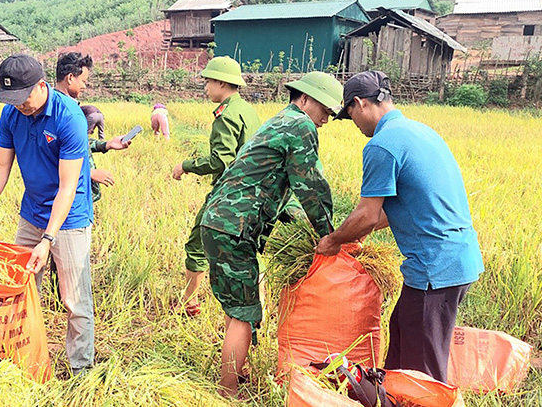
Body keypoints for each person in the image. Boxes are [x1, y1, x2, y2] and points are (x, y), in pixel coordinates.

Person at [316, 70, 484, 383]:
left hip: (435, 267)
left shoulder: (382, 145)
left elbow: (367, 214)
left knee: (423, 371)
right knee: (403, 339)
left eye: (350, 115)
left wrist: (334, 241)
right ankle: (391, 397)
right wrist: (356, 237)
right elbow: (396, 210)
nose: (354, 124)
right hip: (459, 260)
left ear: (360, 103)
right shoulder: (421, 131)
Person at [200, 71, 343, 398]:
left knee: (237, 306)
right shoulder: (301, 125)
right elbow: (310, 186)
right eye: (325, 109)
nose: (326, 118)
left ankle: (237, 370)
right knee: (245, 314)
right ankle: (228, 392)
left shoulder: (281, 121)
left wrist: (297, 218)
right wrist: (330, 236)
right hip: (233, 228)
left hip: (220, 223)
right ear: (305, 99)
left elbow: (279, 183)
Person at [0, 53, 95, 376]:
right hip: (31, 214)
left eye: (23, 97)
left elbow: (68, 188)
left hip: (68, 221)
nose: (19, 104)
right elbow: (0, 167)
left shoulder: (69, 118)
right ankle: (22, 358)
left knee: (74, 300)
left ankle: (82, 369)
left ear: (41, 86)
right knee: (20, 289)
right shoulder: (12, 115)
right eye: (11, 99)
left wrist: (48, 239)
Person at [171, 56, 261, 318]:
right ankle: (260, 305)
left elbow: (220, 160)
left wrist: (187, 165)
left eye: (208, 81)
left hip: (228, 192)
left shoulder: (226, 115)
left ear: (222, 82)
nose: (206, 87)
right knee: (251, 248)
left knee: (197, 242)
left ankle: (189, 303)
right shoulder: (247, 109)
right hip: (252, 192)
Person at [55, 52, 129, 202]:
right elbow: (48, 155)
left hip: (77, 194)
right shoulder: (62, 112)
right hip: (67, 199)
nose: (84, 86)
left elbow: (74, 144)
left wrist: (106, 145)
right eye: (83, 81)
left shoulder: (70, 108)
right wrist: (89, 173)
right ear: (70, 78)